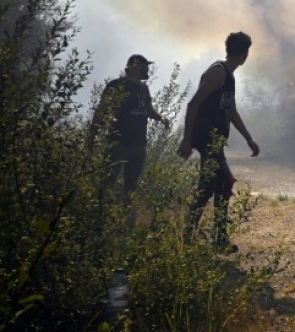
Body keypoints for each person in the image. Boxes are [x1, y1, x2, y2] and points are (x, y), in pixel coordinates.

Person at [177, 31, 260, 253]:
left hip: (215, 142)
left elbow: (231, 111)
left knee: (208, 189)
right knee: (223, 183)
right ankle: (217, 239)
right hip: (207, 141)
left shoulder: (228, 76)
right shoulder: (217, 72)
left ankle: (191, 236)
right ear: (244, 54)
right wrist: (187, 140)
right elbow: (193, 105)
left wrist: (249, 138)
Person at [88, 54, 171, 198]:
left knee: (131, 184)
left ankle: (125, 215)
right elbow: (102, 110)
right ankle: (99, 213)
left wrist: (161, 117)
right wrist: (91, 136)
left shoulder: (143, 88)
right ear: (136, 67)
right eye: (145, 66)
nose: (148, 69)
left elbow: (148, 109)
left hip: (138, 143)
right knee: (108, 180)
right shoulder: (117, 85)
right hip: (118, 141)